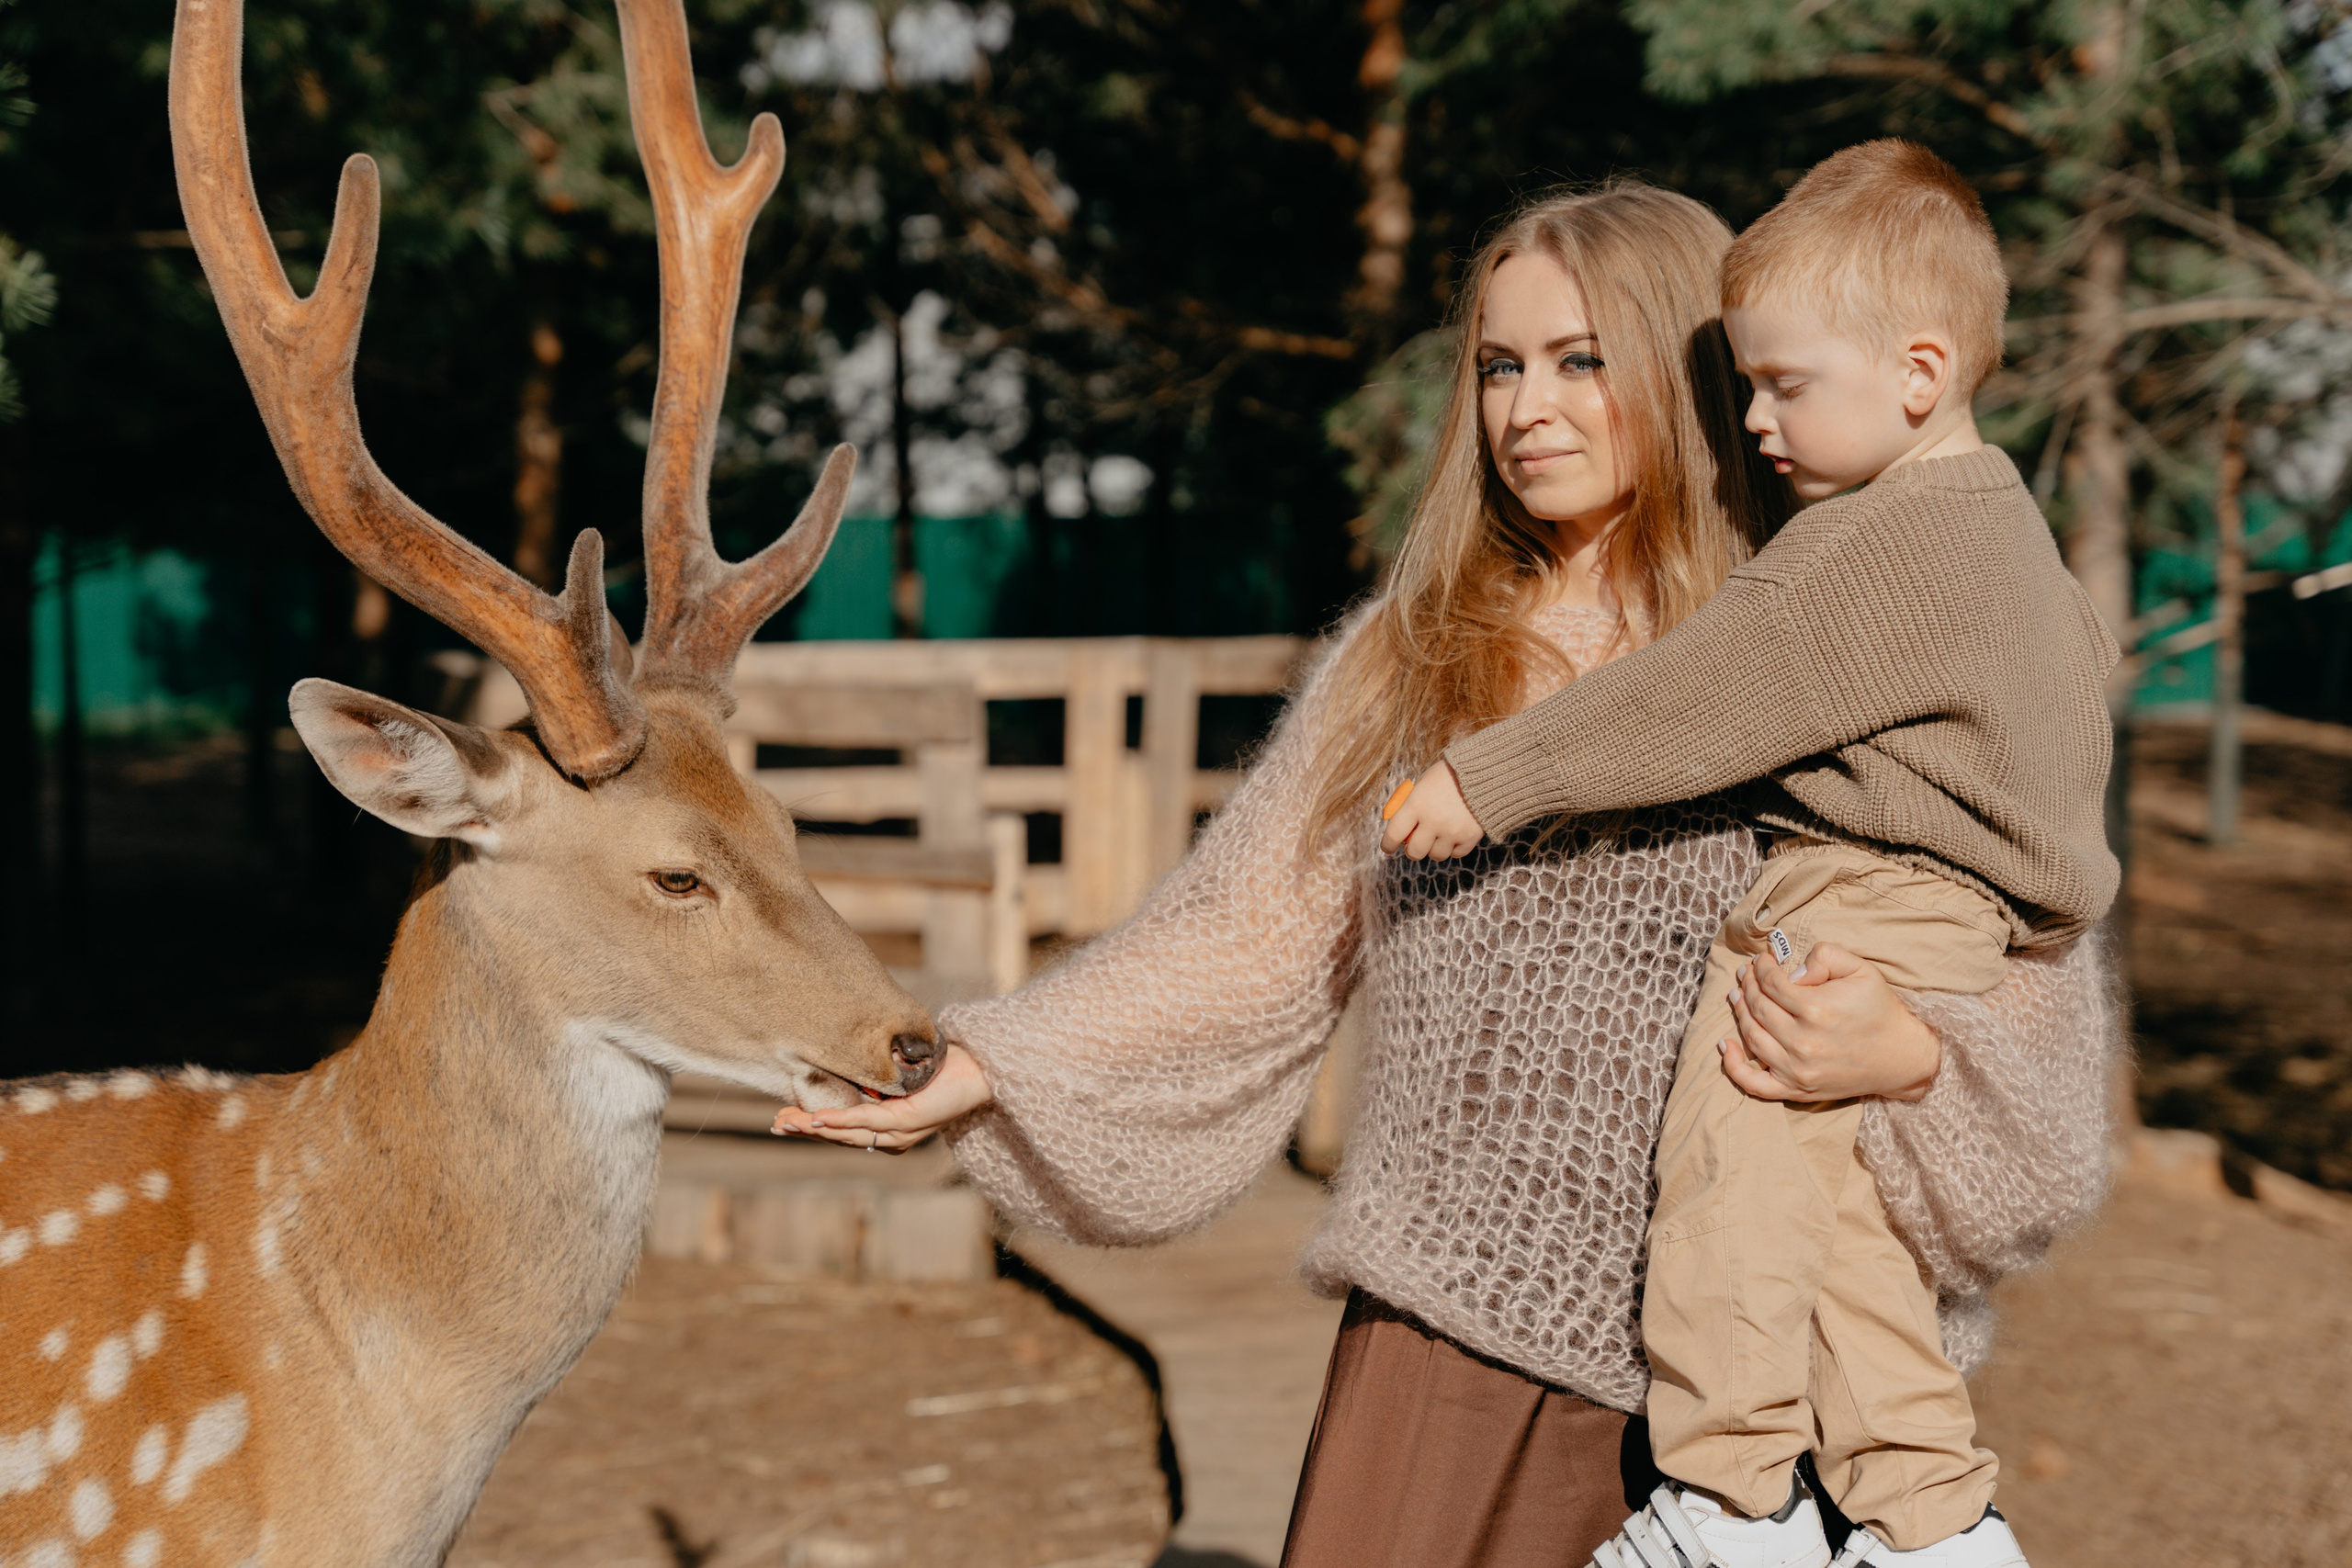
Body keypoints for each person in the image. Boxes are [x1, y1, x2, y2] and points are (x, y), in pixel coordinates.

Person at [777, 179, 2119, 1567]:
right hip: (1451, 1360)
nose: (1527, 407)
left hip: (1767, 1408)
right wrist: (995, 1064)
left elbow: (2018, 973)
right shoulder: (1411, 660)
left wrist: (1909, 1056)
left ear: (1697, 371)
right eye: (1498, 365)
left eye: (1581, 360)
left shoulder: (1834, 640)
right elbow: (1241, 941)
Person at [1380, 143, 2115, 1568]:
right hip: (1959, 920)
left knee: (1733, 1180)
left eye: (1784, 385)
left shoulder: (1872, 551)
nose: (1757, 419)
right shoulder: (2016, 545)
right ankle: (1934, 1526)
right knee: (1839, 1231)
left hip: (1854, 899)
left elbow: (1693, 694)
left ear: (1918, 372)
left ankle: (1726, 1506)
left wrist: (1490, 778)